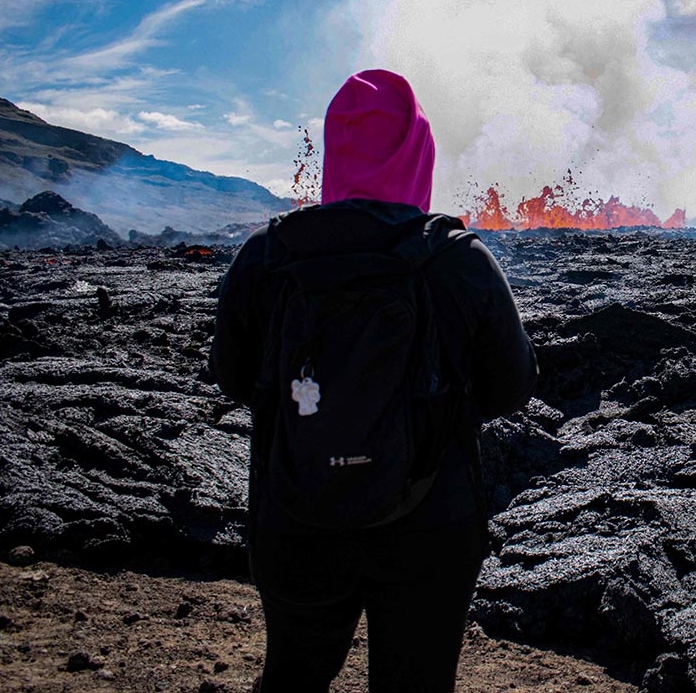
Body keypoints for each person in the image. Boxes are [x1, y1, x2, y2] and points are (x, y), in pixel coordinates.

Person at [209, 69, 538, 692]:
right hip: (430, 524)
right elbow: (511, 388)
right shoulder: (458, 260)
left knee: (292, 677)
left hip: (296, 514)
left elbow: (231, 375)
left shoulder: (265, 257)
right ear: (419, 152)